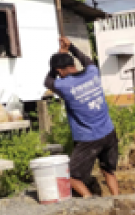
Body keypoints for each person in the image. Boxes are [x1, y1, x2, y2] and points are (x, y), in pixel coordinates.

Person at [44, 37, 119, 198]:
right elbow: (88, 60)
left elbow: (47, 81)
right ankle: (117, 198)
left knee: (71, 177)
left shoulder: (65, 86)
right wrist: (70, 47)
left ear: (59, 71)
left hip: (89, 139)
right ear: (73, 65)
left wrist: (58, 56)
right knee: (108, 170)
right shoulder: (93, 73)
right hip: (109, 132)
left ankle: (89, 198)